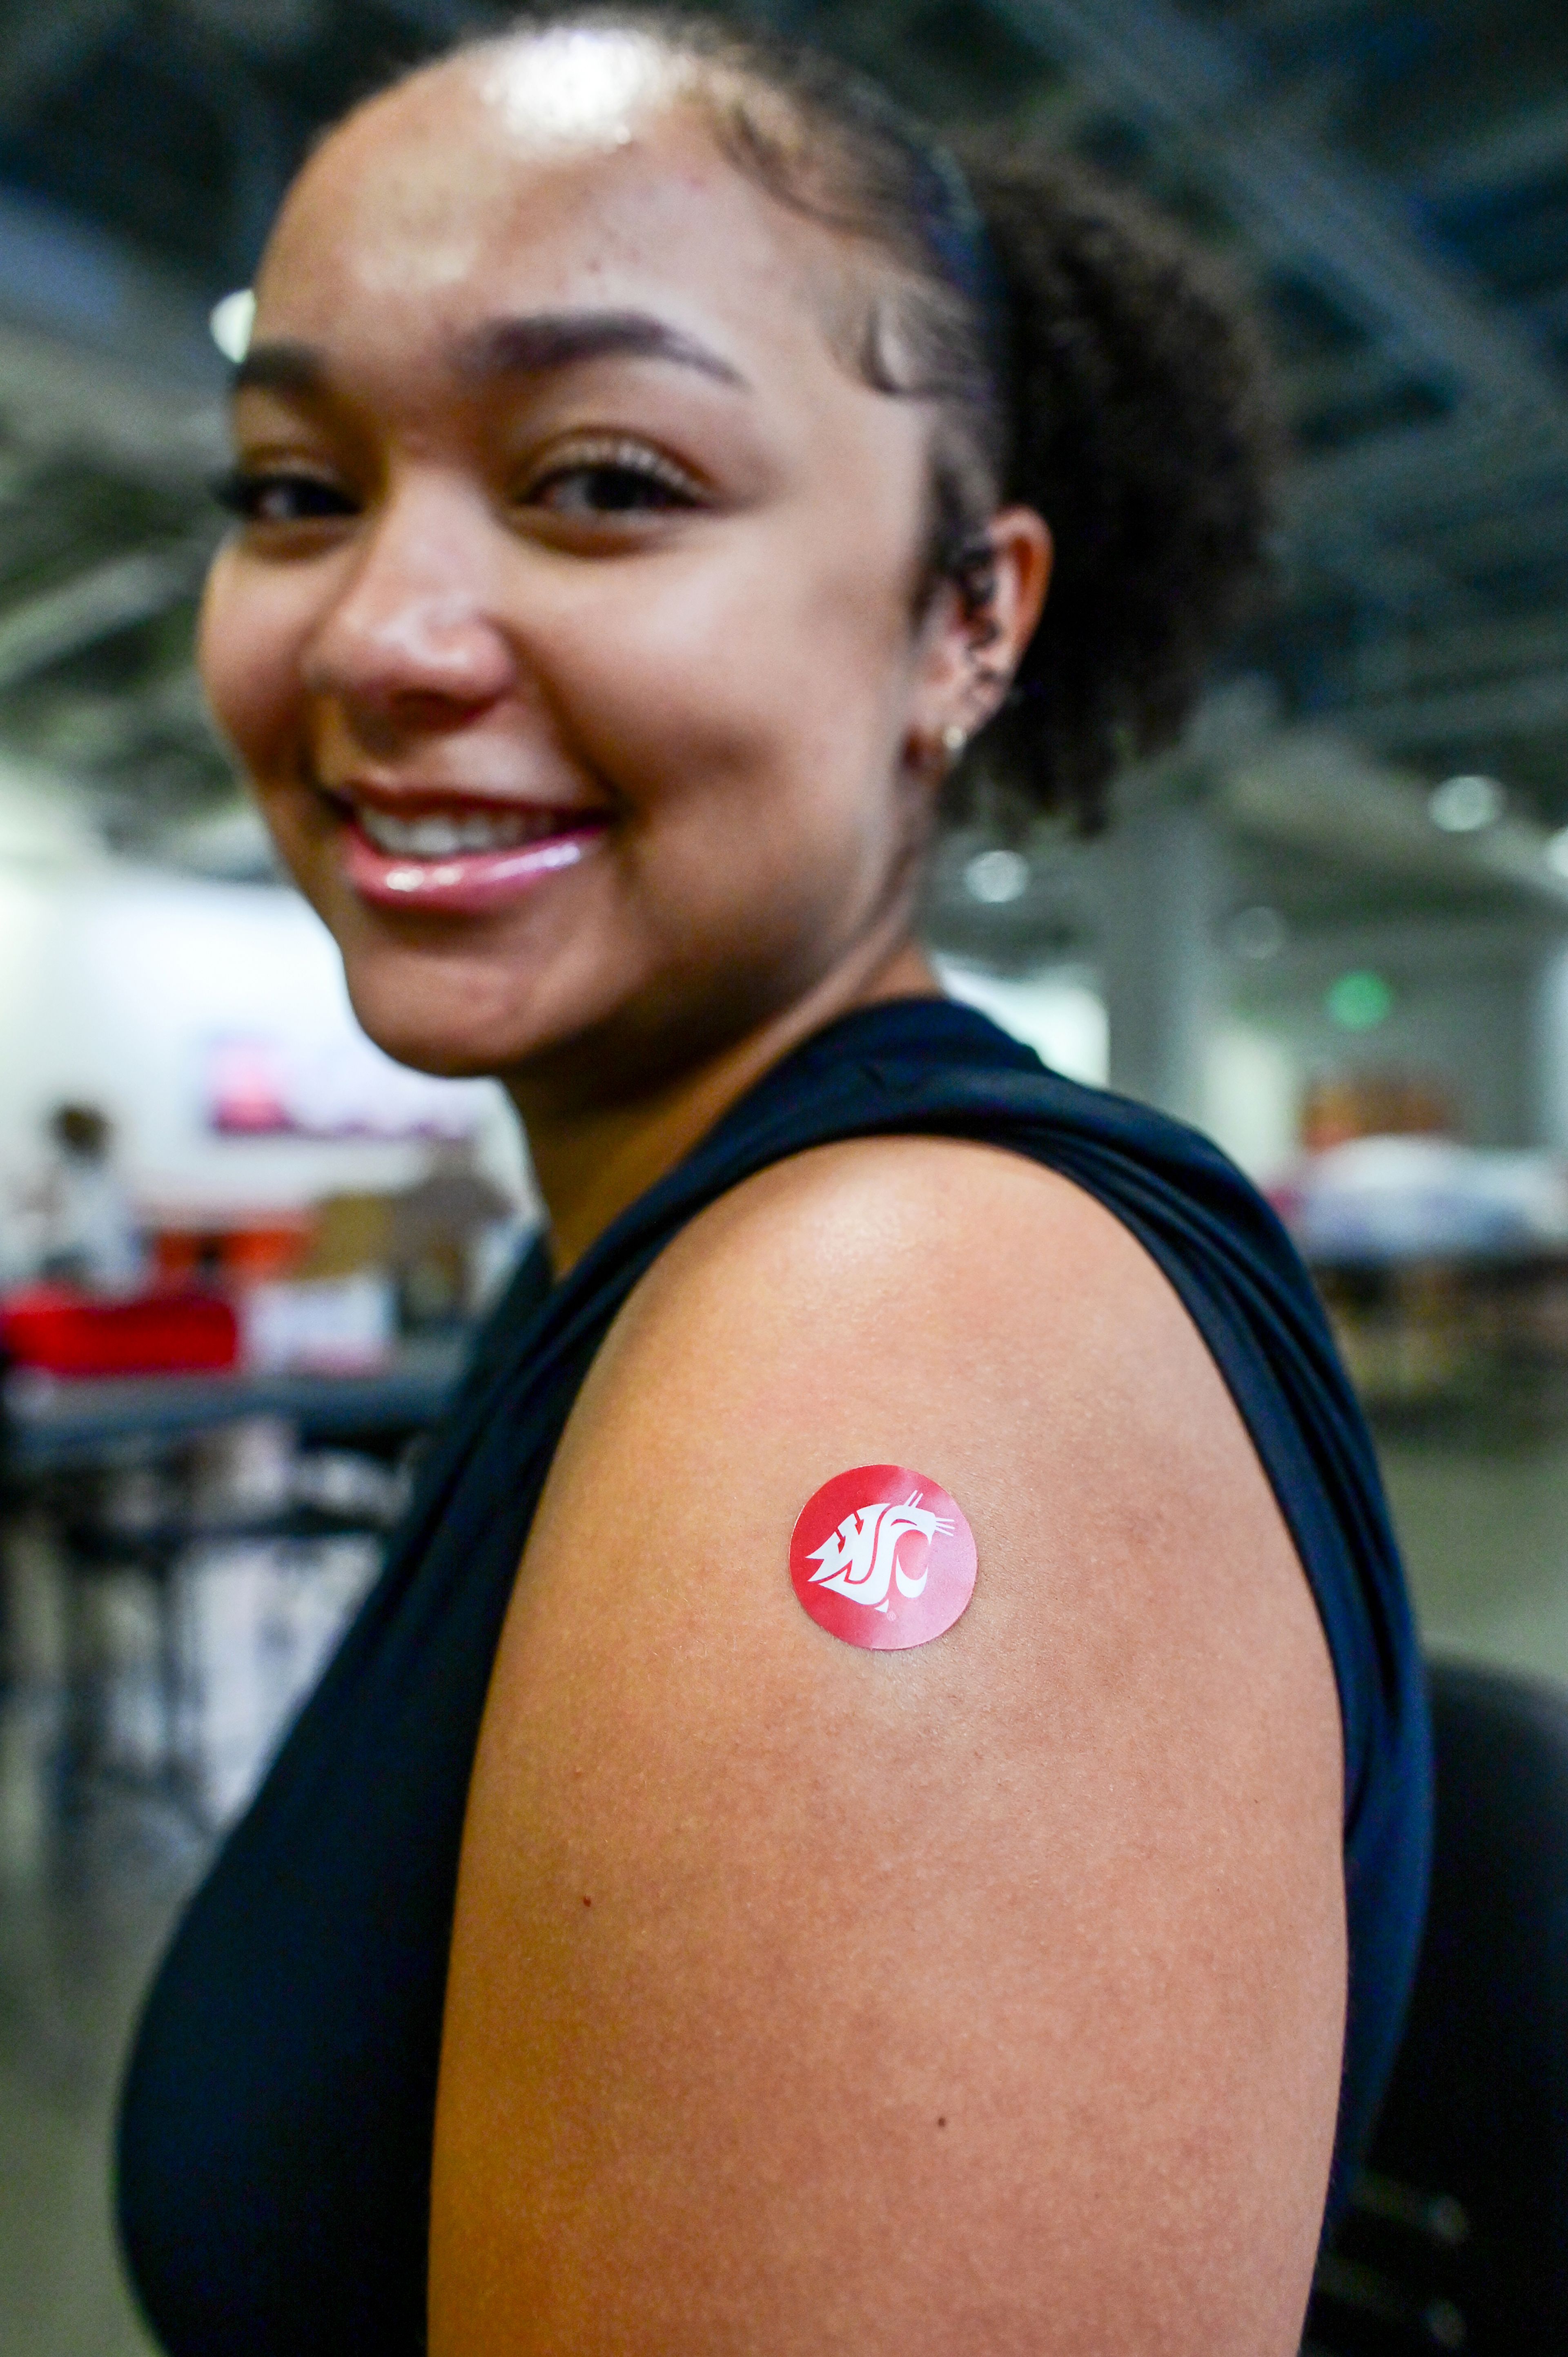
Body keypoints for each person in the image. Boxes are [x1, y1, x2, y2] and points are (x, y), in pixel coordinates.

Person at [116, 13, 1430, 2353]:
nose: (380, 637)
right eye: (293, 489)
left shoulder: (895, 1318)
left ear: (966, 621)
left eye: (606, 480)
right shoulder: (624, 1268)